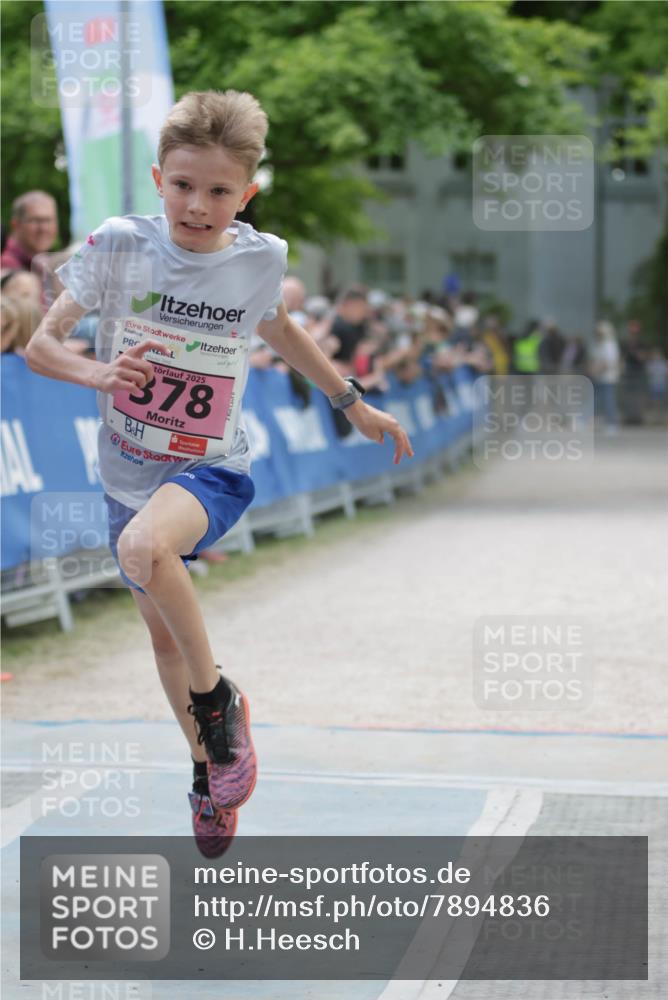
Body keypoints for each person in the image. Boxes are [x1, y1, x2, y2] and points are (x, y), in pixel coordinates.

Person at [25, 89, 413, 858]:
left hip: (211, 468)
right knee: (166, 641)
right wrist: (98, 374)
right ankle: (209, 771)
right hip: (127, 474)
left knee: (144, 548)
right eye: (182, 185)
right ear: (157, 178)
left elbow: (279, 326)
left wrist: (351, 402)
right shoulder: (120, 246)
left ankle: (219, 702)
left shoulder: (259, 259)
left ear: (247, 194)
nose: (197, 206)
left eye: (218, 191)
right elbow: (40, 346)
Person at [589, 320, 621, 435]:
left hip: (608, 378)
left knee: (608, 401)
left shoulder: (609, 345)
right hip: (600, 377)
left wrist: (597, 369)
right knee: (596, 400)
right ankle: (588, 420)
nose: (597, 335)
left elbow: (609, 362)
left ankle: (612, 424)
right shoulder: (599, 345)